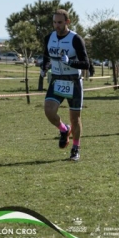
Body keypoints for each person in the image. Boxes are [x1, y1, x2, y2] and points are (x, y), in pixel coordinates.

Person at [40, 9, 90, 162]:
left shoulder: (75, 39)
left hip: (73, 80)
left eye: (60, 22)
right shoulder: (49, 38)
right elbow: (46, 56)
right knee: (49, 111)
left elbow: (86, 64)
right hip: (56, 79)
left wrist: (70, 62)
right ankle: (64, 129)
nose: (57, 25)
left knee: (75, 118)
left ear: (67, 22)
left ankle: (75, 148)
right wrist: (44, 67)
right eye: (55, 22)